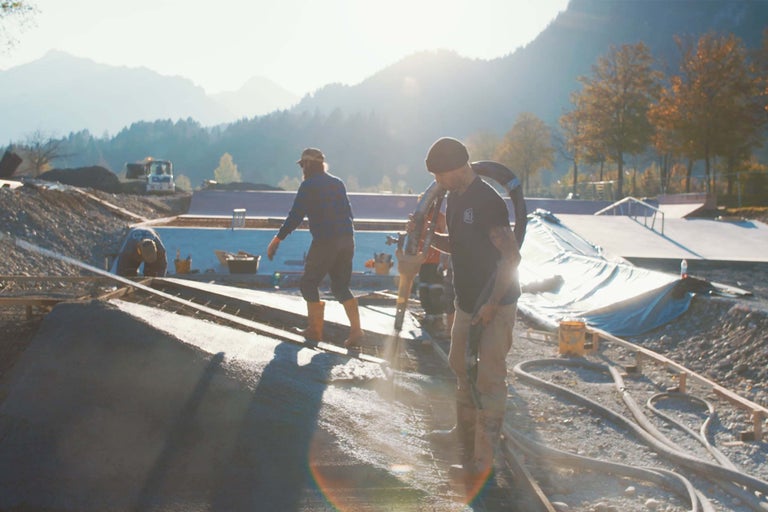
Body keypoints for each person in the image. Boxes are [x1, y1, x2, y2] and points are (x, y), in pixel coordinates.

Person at [402, 137, 522, 493]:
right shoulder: (454, 198)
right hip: (467, 301)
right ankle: (463, 432)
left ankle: (485, 459)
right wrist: (426, 236)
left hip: (495, 304)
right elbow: (458, 244)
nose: (437, 182)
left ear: (458, 167)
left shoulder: (487, 201)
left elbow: (511, 257)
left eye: (441, 175)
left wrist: (493, 303)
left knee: (489, 378)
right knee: (460, 367)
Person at [266, 148, 365, 348]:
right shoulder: (338, 183)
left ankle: (315, 329)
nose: (302, 169)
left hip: (326, 241)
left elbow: (295, 215)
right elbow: (349, 213)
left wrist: (277, 239)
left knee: (309, 283)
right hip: (347, 239)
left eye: (302, 165)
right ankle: (356, 331)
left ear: (308, 165)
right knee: (340, 287)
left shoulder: (308, 185)